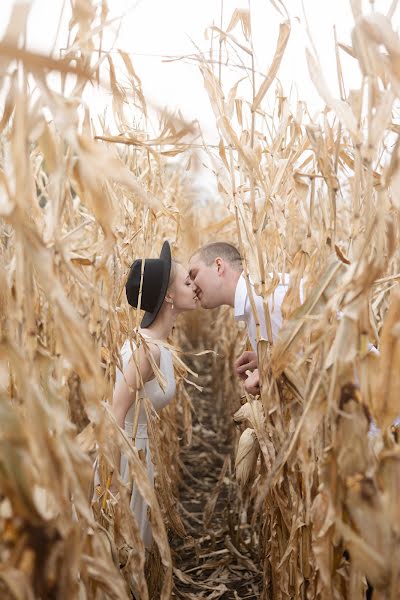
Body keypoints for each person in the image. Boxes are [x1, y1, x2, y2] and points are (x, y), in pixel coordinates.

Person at [112, 241, 198, 549]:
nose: (195, 286)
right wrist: (115, 484)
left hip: (138, 455)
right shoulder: (146, 350)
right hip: (127, 459)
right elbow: (117, 413)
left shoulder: (157, 344)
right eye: (188, 282)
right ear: (170, 296)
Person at [188, 241, 300, 395]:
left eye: (194, 275)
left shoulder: (263, 301)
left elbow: (311, 363)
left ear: (218, 266)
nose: (192, 287)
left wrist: (272, 369)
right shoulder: (257, 296)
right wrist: (267, 360)